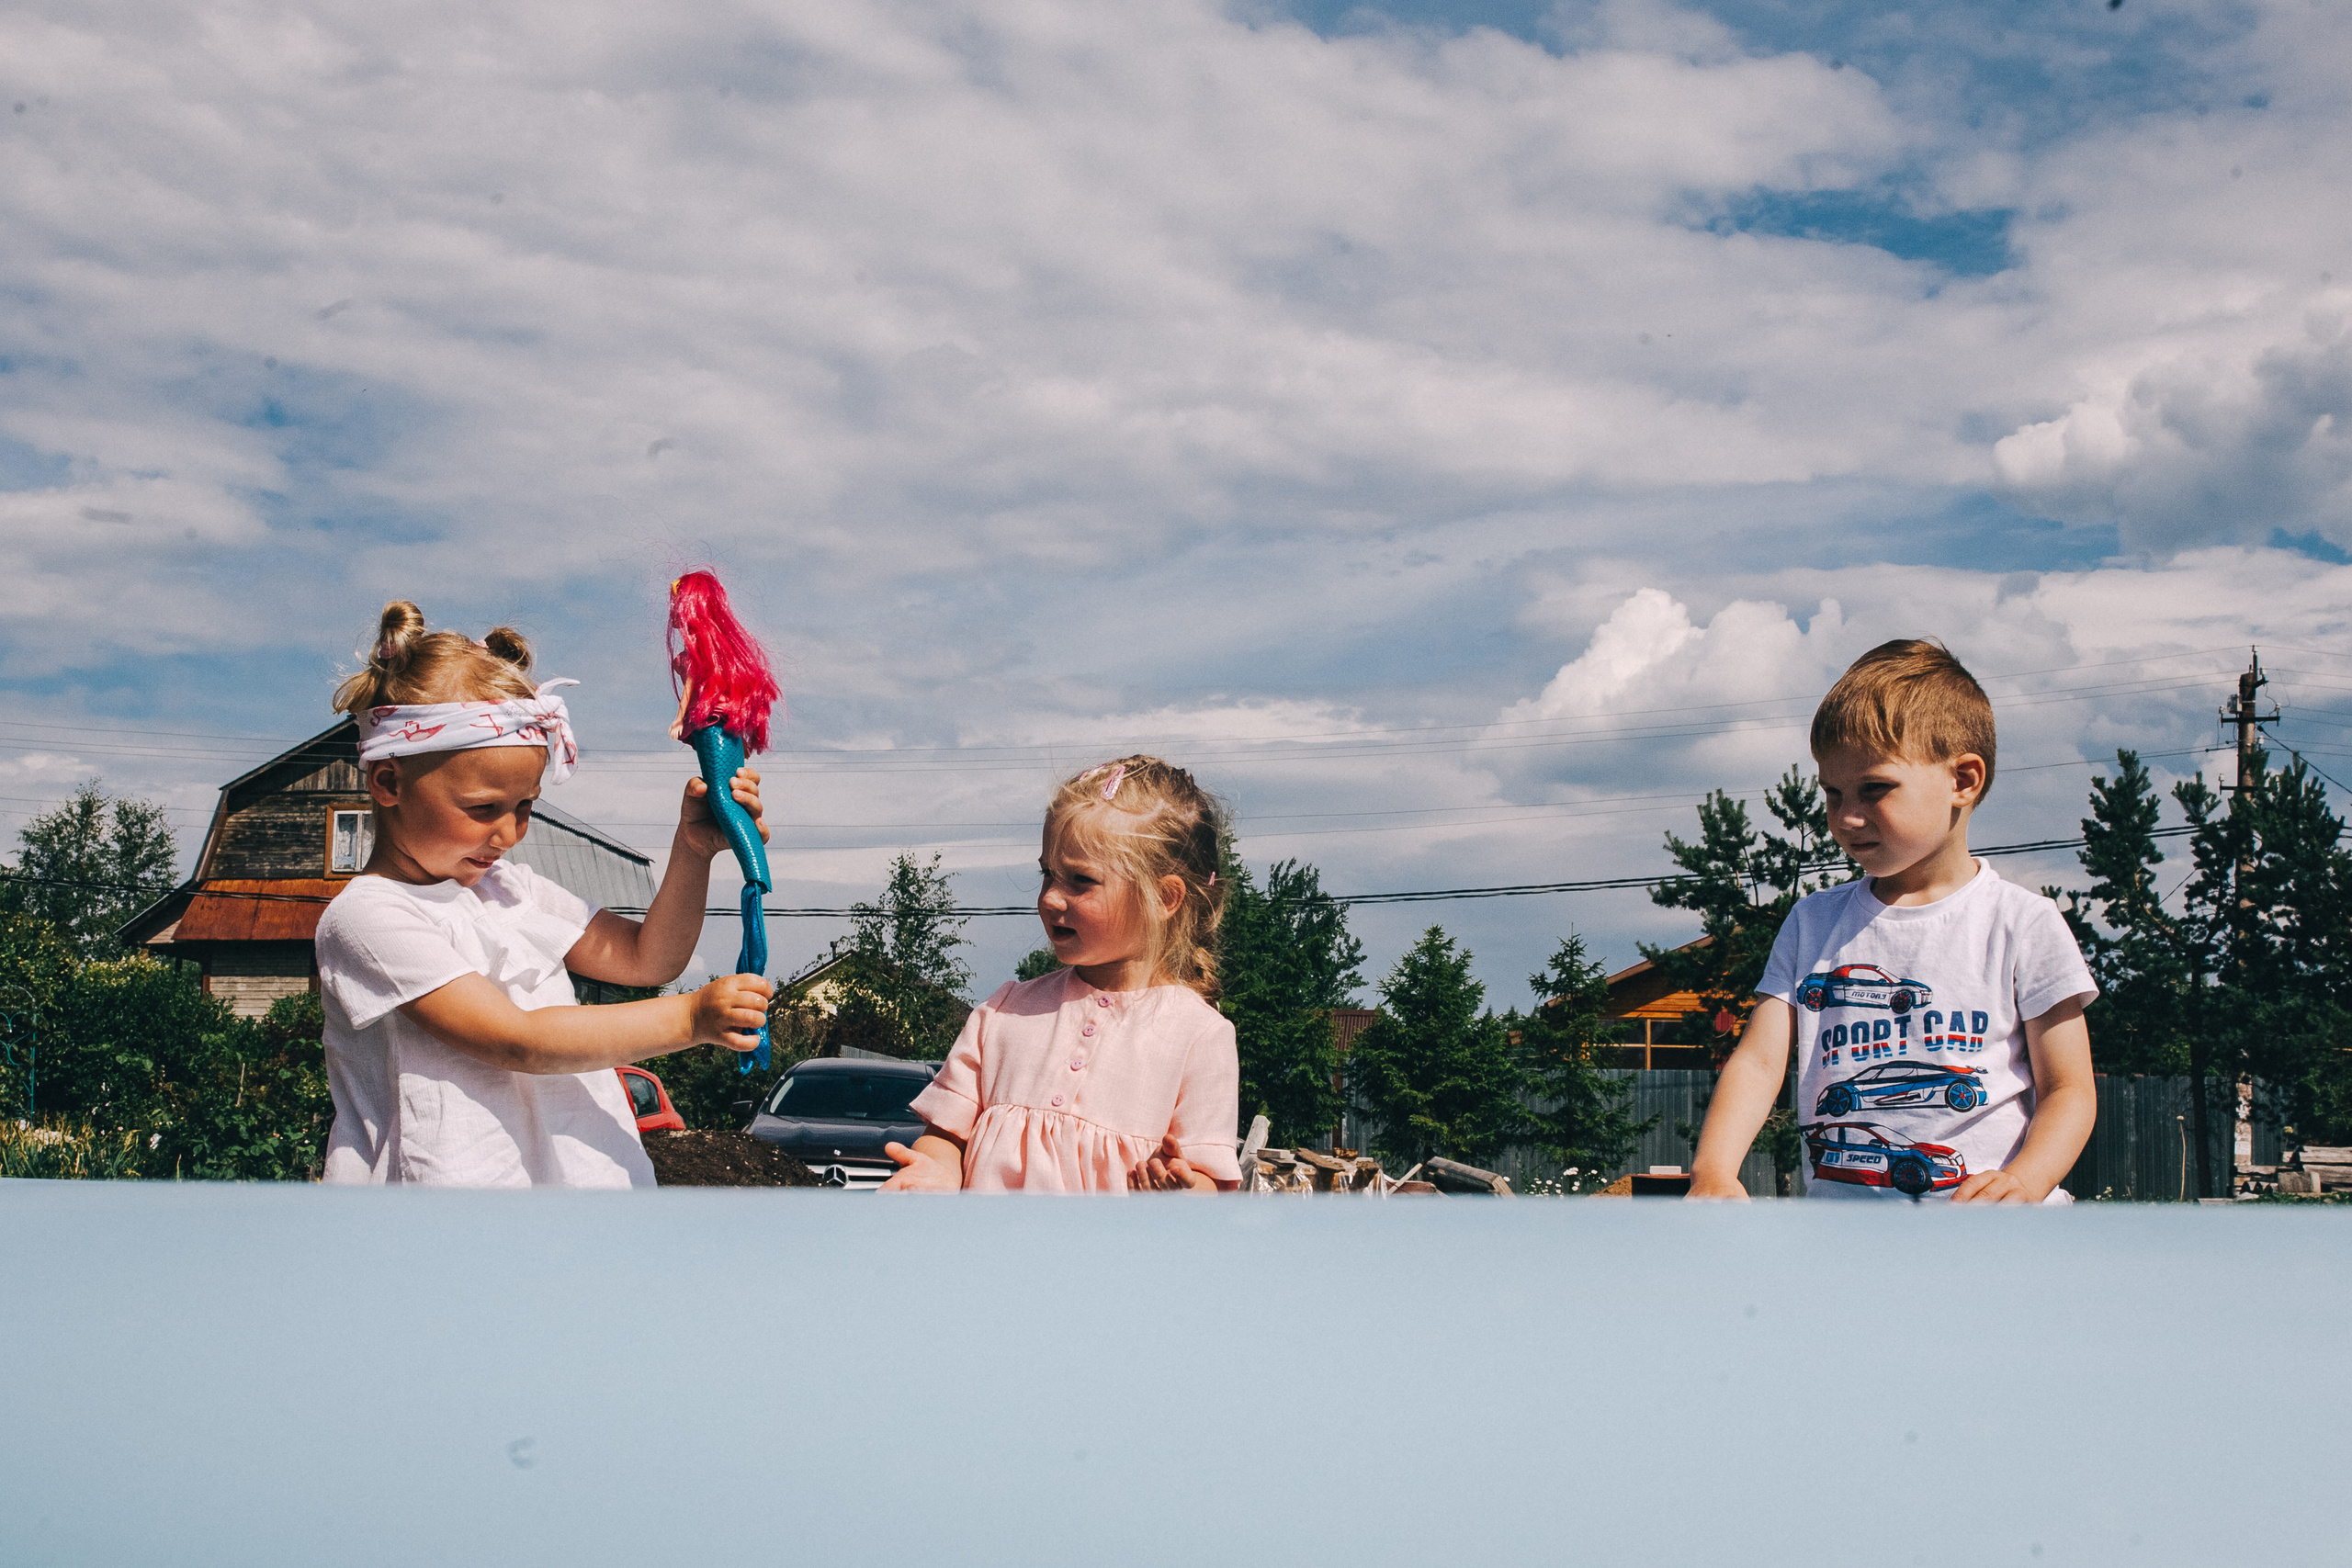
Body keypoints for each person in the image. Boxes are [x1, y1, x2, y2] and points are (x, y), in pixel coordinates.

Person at [313, 601, 774, 1186]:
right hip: (444, 1231)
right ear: (388, 782)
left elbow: (646, 958)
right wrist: (689, 1017)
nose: (508, 835)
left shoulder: (510, 891)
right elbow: (517, 1040)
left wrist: (693, 849)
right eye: (483, 809)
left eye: (525, 807)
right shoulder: (369, 917)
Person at [1688, 639, 2098, 1203]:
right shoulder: (1812, 923)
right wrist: (1713, 1170)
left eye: (1874, 789)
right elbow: (1759, 1062)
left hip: (1993, 1246)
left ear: (1963, 780)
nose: (1847, 817)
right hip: (1845, 1249)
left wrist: (2026, 1182)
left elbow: (2069, 1090)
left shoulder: (2022, 923)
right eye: (1832, 793)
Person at [880, 756, 1242, 1192]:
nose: (1051, 897)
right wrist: (936, 1170)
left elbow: (1210, 1179)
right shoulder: (1004, 1012)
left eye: (1080, 880)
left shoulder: (1200, 1036)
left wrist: (1181, 1192)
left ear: (1164, 898)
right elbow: (945, 1137)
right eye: (1047, 873)